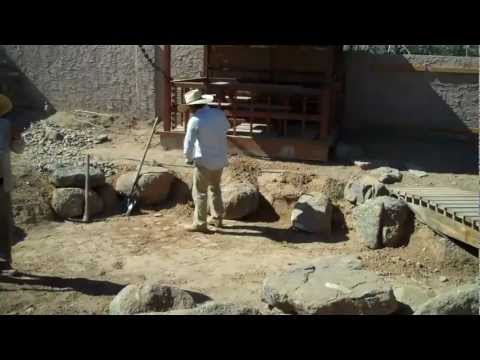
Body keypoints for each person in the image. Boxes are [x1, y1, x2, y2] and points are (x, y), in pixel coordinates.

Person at [182, 89, 230, 233]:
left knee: (200, 192)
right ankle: (218, 218)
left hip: (203, 161)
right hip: (220, 159)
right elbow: (226, 128)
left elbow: (188, 145)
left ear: (193, 106)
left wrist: (188, 158)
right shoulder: (219, 114)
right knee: (215, 188)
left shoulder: (195, 120)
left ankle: (200, 223)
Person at [0, 95, 25, 274]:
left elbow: (18, 149)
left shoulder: (5, 126)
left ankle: (3, 261)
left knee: (4, 222)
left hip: (2, 182)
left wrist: (17, 138)